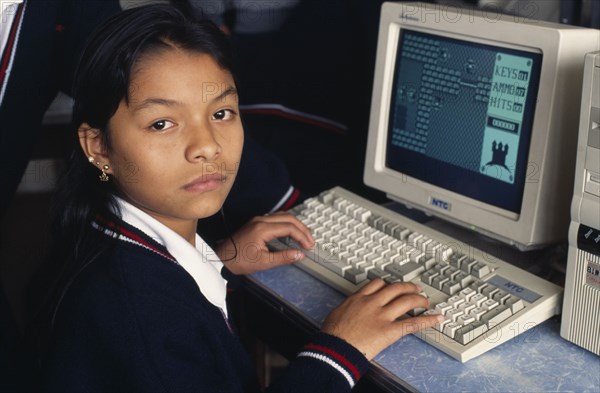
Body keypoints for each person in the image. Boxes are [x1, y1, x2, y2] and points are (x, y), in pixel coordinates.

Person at [37, 5, 443, 391]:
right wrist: (339, 349)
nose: (207, 146)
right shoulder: (144, 317)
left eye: (221, 113)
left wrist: (216, 260)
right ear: (98, 147)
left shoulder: (99, 239)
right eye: (162, 123)